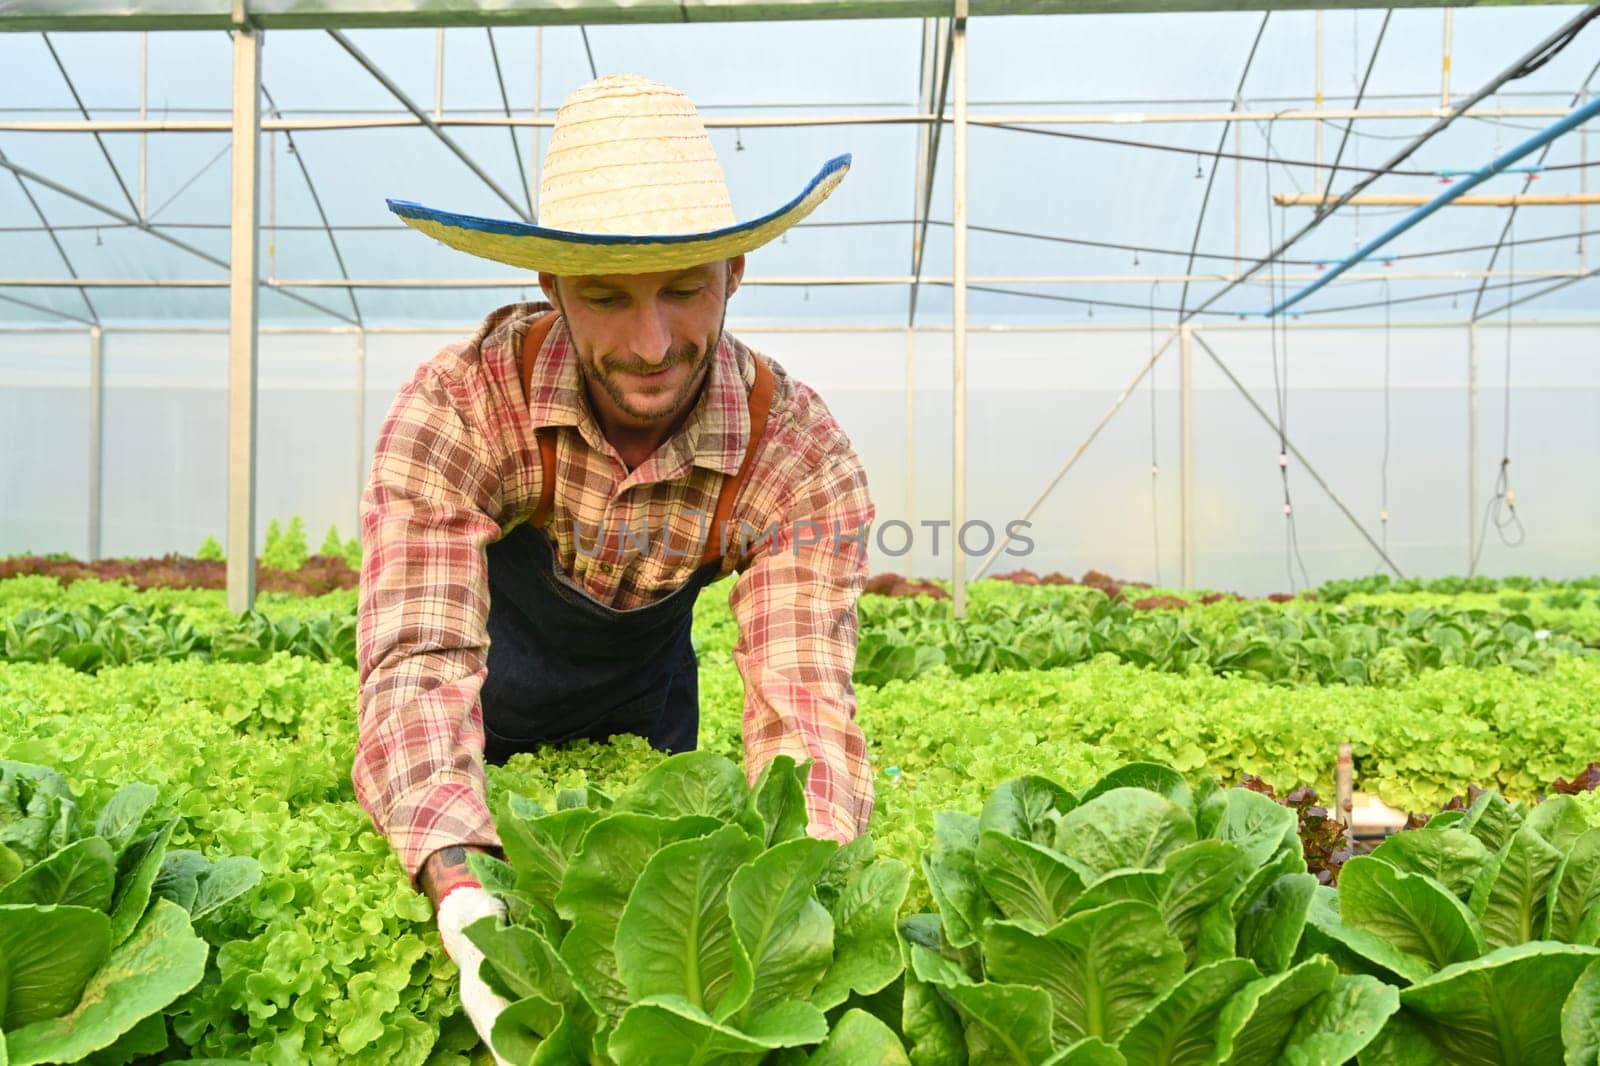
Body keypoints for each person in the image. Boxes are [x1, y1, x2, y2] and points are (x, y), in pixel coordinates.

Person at [352, 73, 875, 1059]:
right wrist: (463, 895)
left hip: (648, 732)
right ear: (549, 288)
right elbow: (418, 658)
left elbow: (803, 701)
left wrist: (786, 909)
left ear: (735, 269)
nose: (650, 343)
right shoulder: (464, 409)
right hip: (481, 729)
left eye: (684, 290)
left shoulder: (795, 455)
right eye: (604, 296)